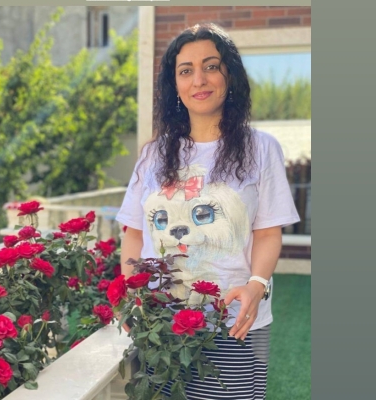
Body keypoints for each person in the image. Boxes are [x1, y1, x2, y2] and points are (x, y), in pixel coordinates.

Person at [115, 23, 300, 400]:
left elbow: (267, 232)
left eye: (211, 66)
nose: (198, 79)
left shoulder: (261, 148)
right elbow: (134, 233)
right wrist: (132, 299)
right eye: (186, 70)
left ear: (229, 75)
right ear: (175, 85)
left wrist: (256, 286)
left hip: (232, 321)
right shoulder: (152, 155)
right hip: (160, 323)